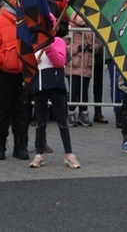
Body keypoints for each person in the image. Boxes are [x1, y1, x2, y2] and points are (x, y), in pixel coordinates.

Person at [29, 14, 81, 169]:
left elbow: (59, 62)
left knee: (62, 120)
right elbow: (27, 65)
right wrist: (32, 61)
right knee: (41, 121)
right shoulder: (34, 43)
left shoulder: (58, 42)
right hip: (40, 86)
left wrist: (49, 48)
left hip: (56, 85)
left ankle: (69, 153)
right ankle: (39, 153)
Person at [0, 0, 32, 160]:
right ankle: (1, 144)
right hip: (4, 73)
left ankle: (21, 145)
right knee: (3, 110)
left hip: (23, 73)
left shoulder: (27, 21)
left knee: (22, 111)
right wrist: (4, 61)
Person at [65, 8, 101, 127]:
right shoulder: (69, 30)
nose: (82, 18)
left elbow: (98, 42)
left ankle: (83, 112)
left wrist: (92, 47)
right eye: (79, 16)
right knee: (74, 90)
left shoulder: (90, 29)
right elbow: (64, 46)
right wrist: (77, 48)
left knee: (84, 90)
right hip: (73, 66)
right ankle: (71, 112)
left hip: (86, 65)